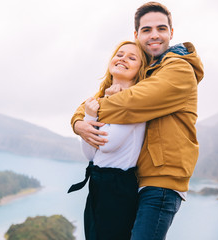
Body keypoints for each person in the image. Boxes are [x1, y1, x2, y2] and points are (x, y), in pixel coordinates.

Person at [71, 2, 204, 240]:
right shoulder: (147, 71)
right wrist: (79, 121)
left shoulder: (178, 70)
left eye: (161, 28)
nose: (154, 35)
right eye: (146, 30)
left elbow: (131, 102)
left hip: (162, 181)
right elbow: (97, 101)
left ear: (171, 33)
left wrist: (89, 114)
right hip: (137, 179)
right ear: (137, 34)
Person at [68, 41, 148, 240]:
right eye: (120, 54)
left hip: (118, 188)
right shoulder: (102, 99)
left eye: (132, 58)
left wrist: (108, 106)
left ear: (140, 69)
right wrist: (88, 116)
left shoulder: (135, 100)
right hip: (97, 183)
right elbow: (89, 154)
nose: (123, 58)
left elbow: (108, 143)